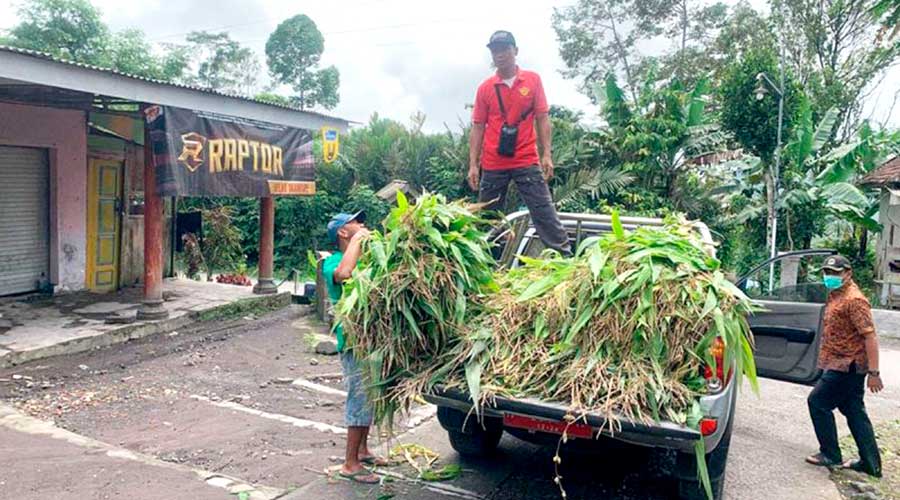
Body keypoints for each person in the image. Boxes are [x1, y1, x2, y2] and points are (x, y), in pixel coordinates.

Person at [468, 30, 571, 256]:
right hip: (493, 162)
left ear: (515, 51)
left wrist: (547, 155)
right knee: (487, 218)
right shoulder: (485, 88)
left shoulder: (532, 80)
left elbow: (543, 118)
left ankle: (565, 259)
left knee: (544, 211)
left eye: (505, 49)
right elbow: (477, 126)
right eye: (495, 50)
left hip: (526, 158)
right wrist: (473, 165)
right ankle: (483, 264)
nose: (500, 54)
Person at [321, 211, 388, 484]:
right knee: (359, 399)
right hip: (353, 341)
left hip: (372, 339)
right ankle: (350, 464)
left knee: (370, 399)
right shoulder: (332, 261)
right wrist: (360, 239)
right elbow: (345, 273)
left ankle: (362, 450)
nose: (362, 225)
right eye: (355, 223)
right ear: (342, 232)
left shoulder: (369, 259)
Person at [805, 255, 883, 477]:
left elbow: (870, 337)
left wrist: (874, 373)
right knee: (854, 410)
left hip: (847, 365)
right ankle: (871, 463)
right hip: (838, 362)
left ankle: (830, 454)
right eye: (827, 272)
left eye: (835, 273)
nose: (830, 277)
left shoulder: (854, 300)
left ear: (848, 273)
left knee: (817, 402)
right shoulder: (836, 294)